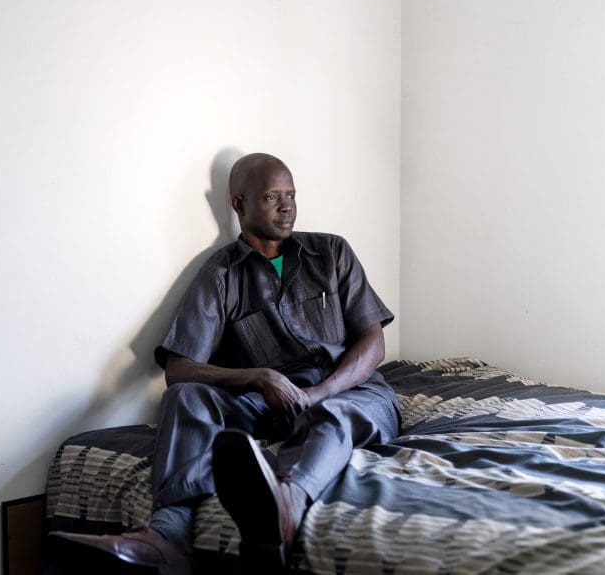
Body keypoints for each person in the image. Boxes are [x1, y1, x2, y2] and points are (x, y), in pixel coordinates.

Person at [50, 153, 401, 574]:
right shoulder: (220, 274)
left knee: (335, 414)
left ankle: (284, 506)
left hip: (348, 390)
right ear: (239, 205)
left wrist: (319, 392)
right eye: (272, 197)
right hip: (268, 405)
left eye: (291, 196)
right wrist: (259, 376)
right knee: (186, 398)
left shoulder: (331, 252)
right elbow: (179, 367)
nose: (287, 207)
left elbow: (373, 342)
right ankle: (167, 535)